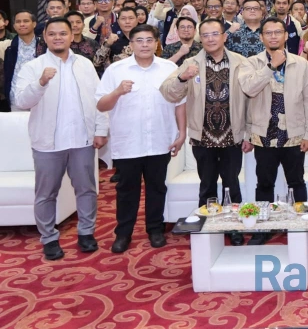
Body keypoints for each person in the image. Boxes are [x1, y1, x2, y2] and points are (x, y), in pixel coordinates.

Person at [13, 18, 108, 260]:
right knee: (46, 194)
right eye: (52, 34)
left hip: (82, 141)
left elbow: (99, 99)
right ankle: (49, 238)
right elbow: (21, 101)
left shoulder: (85, 64)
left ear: (71, 36)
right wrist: (41, 83)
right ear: (45, 37)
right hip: (48, 144)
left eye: (63, 33)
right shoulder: (33, 67)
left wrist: (100, 129)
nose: (58, 38)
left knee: (86, 190)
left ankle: (86, 233)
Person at [160, 19, 251, 247]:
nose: (210, 39)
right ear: (200, 38)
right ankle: (208, 227)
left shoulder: (241, 62)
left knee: (232, 184)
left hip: (232, 136)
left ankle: (234, 226)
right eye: (206, 35)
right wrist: (182, 78)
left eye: (215, 34)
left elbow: (251, 100)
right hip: (203, 137)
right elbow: (168, 92)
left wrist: (249, 133)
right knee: (207, 184)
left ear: (224, 36)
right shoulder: (190, 63)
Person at [96, 24, 186, 253]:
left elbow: (180, 103)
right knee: (127, 190)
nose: (144, 45)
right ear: (131, 44)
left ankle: (155, 229)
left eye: (149, 40)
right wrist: (117, 92)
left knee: (157, 188)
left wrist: (182, 133)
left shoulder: (169, 68)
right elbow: (101, 105)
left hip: (160, 139)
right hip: (129, 142)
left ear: (156, 43)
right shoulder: (116, 70)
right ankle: (123, 233)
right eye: (139, 40)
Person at [238, 17, 308, 245]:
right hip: (263, 135)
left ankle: (300, 227)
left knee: (297, 182)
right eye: (268, 33)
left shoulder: (301, 64)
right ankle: (262, 228)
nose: (273, 36)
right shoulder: (251, 63)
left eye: (278, 32)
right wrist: (270, 66)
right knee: (264, 184)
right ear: (261, 37)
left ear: (285, 35)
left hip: (294, 134)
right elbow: (249, 89)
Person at [3, 10, 47, 111]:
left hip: (41, 99)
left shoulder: (44, 46)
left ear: (34, 24)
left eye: (26, 21)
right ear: (14, 26)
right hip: (16, 99)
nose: (22, 24)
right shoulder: (10, 49)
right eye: (18, 22)